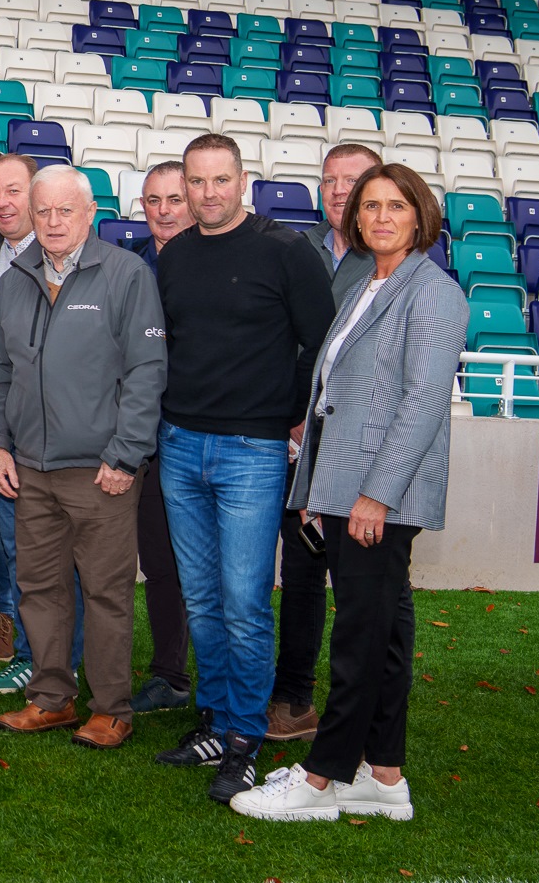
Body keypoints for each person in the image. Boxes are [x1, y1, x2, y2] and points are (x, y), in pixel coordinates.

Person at [231, 164, 467, 823]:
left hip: (378, 496)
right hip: (343, 486)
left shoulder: (434, 292)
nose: (382, 217)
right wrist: (315, 485)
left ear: (419, 216)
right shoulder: (368, 283)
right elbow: (334, 398)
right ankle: (383, 776)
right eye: (370, 206)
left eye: (396, 206)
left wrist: (376, 495)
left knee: (360, 639)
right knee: (386, 633)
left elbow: (422, 403)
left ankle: (322, 776)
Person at [153, 133, 334, 804]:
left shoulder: (285, 250)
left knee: (245, 601)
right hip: (180, 443)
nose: (206, 194)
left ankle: (243, 739)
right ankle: (216, 717)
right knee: (201, 595)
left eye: (219, 180)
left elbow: (324, 341)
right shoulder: (174, 256)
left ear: (243, 179)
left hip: (252, 452)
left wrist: (292, 410)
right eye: (195, 182)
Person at [0, 166, 167, 750]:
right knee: (39, 588)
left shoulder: (125, 274)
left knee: (106, 593)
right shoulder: (15, 277)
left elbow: (146, 371)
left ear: (91, 214)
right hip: (28, 469)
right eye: (44, 212)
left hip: (101, 472)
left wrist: (125, 454)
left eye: (66, 211)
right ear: (31, 218)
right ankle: (52, 697)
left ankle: (111, 708)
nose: (54, 222)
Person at [267, 141, 384, 743]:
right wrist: (289, 414)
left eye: (353, 180)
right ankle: (278, 692)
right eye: (330, 179)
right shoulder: (293, 245)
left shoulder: (396, 261)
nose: (339, 190)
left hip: (353, 448)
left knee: (346, 580)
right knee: (286, 570)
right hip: (283, 435)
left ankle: (325, 705)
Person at [0, 153, 71, 697]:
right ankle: (41, 659)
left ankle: (50, 664)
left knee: (42, 559)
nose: (2, 202)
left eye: (14, 192)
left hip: (42, 443)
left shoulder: (56, 261)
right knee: (15, 552)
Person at [123, 160, 195, 715]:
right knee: (158, 561)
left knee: (199, 564)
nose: (164, 210)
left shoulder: (219, 262)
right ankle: (169, 672)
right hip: (143, 438)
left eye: (174, 198)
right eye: (153, 200)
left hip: (200, 436)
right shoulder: (128, 267)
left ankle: (196, 676)